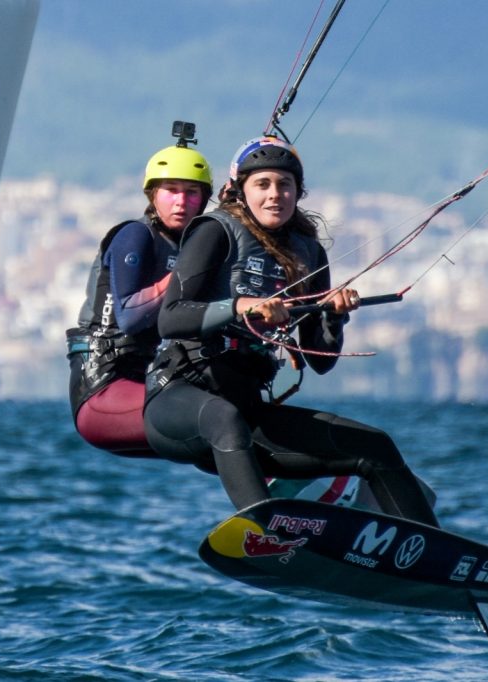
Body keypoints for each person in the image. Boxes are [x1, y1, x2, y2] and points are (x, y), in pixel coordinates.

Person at [142, 135, 438, 526]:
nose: (275, 195)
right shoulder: (215, 231)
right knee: (224, 417)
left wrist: (334, 315)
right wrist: (240, 306)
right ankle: (265, 529)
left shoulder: (308, 251)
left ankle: (427, 550)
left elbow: (321, 361)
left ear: (299, 191)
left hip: (249, 412)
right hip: (179, 398)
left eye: (285, 185)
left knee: (375, 447)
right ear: (240, 190)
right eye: (262, 184)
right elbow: (171, 317)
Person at [66, 124, 213, 455]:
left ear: (204, 199)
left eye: (192, 192)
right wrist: (190, 271)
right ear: (152, 195)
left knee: (234, 413)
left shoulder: (194, 247)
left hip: (151, 379)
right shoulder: (136, 236)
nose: (181, 201)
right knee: (215, 416)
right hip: (102, 385)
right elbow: (131, 317)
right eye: (171, 190)